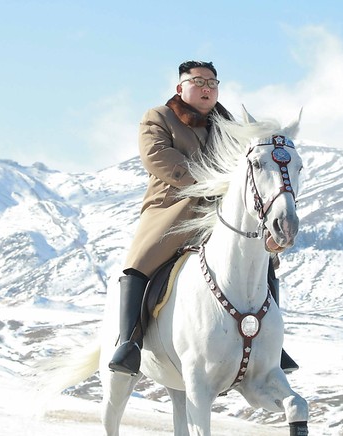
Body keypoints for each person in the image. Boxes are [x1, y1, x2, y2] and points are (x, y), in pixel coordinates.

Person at [108, 60, 298, 376]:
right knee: (141, 260)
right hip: (174, 208)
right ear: (180, 87)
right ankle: (129, 344)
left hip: (220, 212)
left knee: (263, 261)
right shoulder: (158, 117)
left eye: (212, 82)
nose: (207, 88)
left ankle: (273, 345)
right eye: (198, 81)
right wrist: (205, 181)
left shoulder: (231, 126)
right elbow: (157, 157)